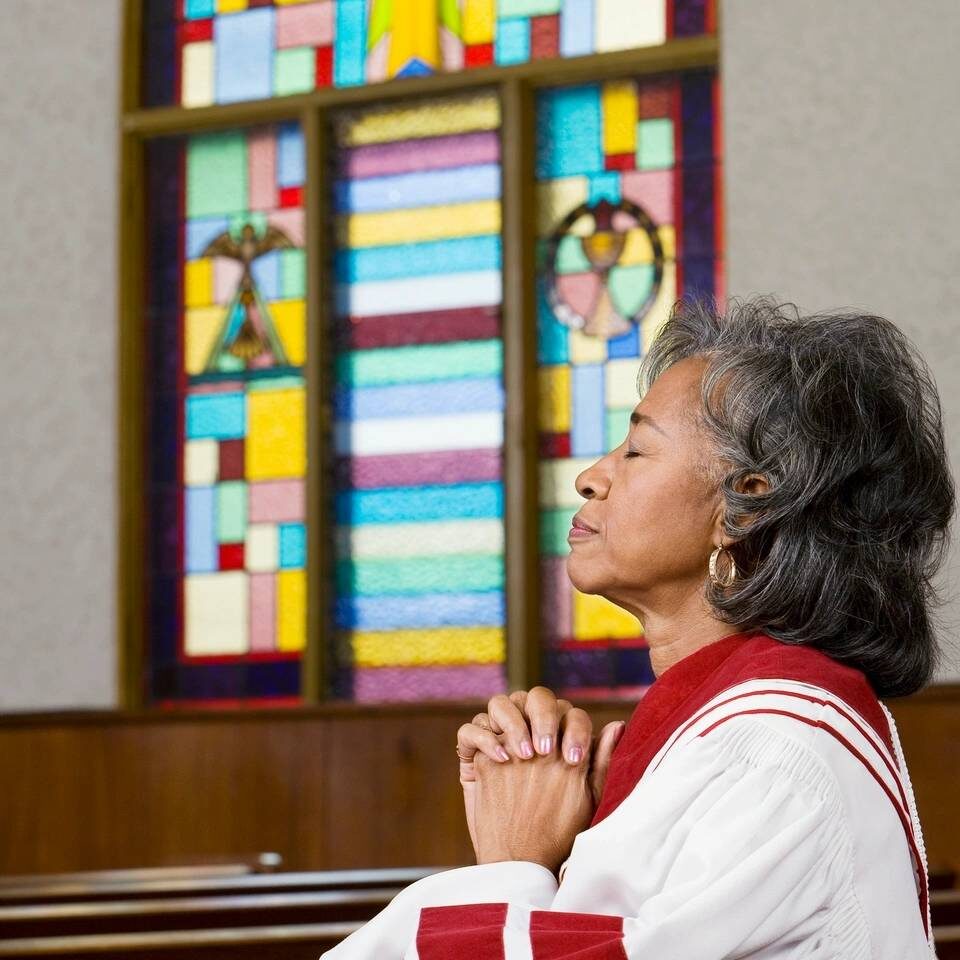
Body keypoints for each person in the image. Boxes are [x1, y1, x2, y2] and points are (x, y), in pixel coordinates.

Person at [323, 296, 954, 959]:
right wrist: (555, 828)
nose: (591, 477)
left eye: (637, 451)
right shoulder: (722, 735)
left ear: (745, 506)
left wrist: (511, 863)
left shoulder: (768, 753)